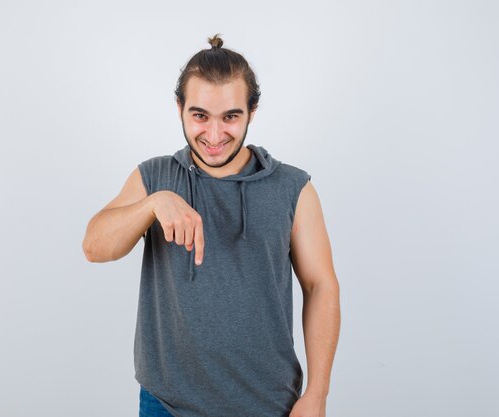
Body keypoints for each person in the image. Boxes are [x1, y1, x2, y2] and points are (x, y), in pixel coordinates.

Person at [83, 34, 341, 417]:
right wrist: (152, 205)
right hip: (167, 405)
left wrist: (317, 394)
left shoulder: (293, 188)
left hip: (270, 405)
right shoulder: (154, 176)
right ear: (180, 109)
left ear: (252, 111)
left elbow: (320, 285)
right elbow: (94, 246)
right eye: (200, 116)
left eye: (231, 117)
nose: (215, 136)